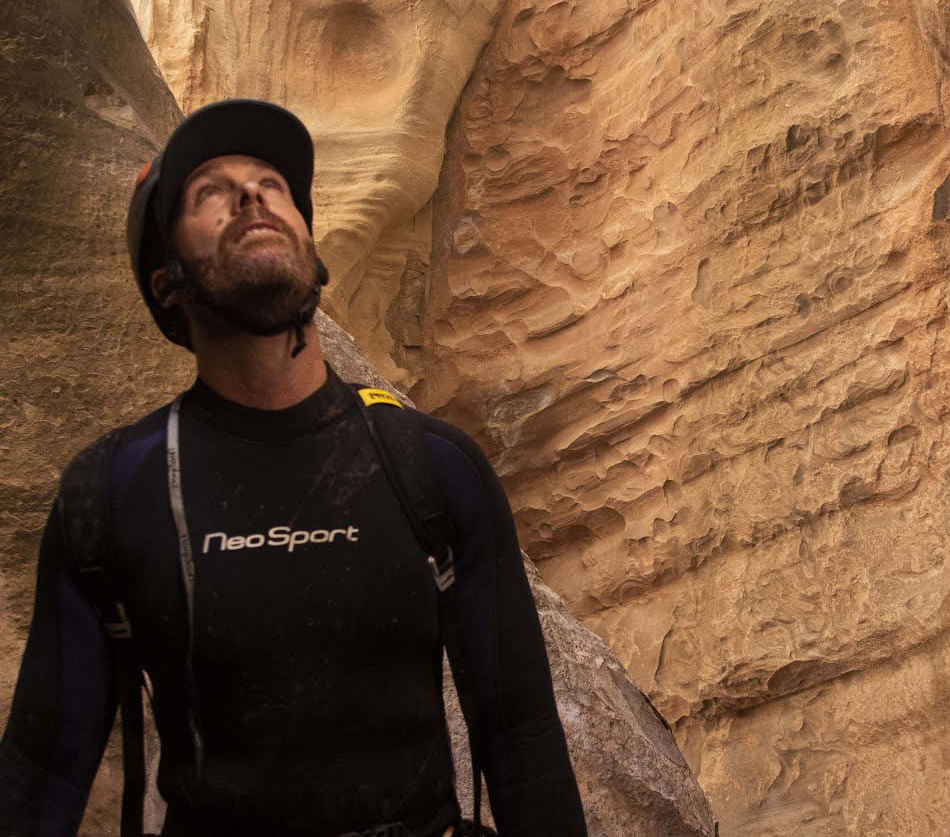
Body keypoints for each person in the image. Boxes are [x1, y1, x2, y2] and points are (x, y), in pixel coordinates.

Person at [0, 99, 588, 837]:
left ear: (312, 252)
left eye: (273, 184)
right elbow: (44, 773)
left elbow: (521, 734)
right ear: (165, 281)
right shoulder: (112, 495)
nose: (253, 195)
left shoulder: (433, 466)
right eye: (210, 191)